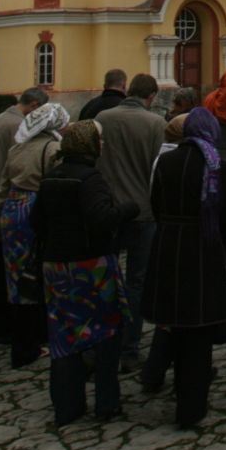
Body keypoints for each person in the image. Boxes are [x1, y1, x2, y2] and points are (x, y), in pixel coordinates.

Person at [33, 119, 139, 426]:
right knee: (107, 334)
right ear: (89, 146)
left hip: (56, 267)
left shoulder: (51, 178)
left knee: (63, 338)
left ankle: (67, 405)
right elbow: (101, 218)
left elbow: (36, 222)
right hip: (90, 266)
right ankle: (107, 402)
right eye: (99, 141)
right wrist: (129, 208)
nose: (102, 146)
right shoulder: (90, 178)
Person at [141, 108, 226, 428]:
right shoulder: (217, 167)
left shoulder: (166, 162)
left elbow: (155, 203)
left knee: (175, 323)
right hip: (203, 249)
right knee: (199, 329)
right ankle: (192, 405)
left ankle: (173, 384)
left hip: (170, 245)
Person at [97, 73, 166, 372]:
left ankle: (103, 344)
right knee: (138, 281)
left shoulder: (103, 117)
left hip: (109, 210)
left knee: (104, 277)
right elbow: (158, 171)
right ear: (150, 96)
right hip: (143, 211)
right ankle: (129, 348)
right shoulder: (155, 124)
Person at [0, 100, 70, 367]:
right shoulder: (53, 148)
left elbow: (2, 185)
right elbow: (58, 184)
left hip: (13, 209)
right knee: (43, 274)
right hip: (38, 211)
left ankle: (18, 337)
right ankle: (37, 338)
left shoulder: (17, 148)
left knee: (17, 277)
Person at [0, 86, 46, 343]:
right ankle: (10, 324)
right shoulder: (23, 128)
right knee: (16, 269)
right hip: (11, 201)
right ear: (35, 105)